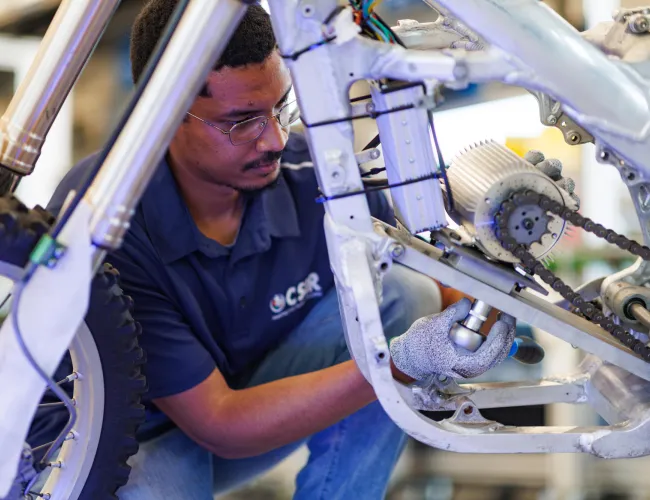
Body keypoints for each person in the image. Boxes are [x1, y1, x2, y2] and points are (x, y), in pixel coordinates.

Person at [46, 3, 518, 498]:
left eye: (280, 108)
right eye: (242, 122)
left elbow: (426, 281)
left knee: (405, 293)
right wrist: (403, 362)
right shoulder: (103, 216)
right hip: (117, 445)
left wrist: (475, 318)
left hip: (243, 406)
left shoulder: (316, 176)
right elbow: (219, 423)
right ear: (162, 115)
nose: (274, 139)